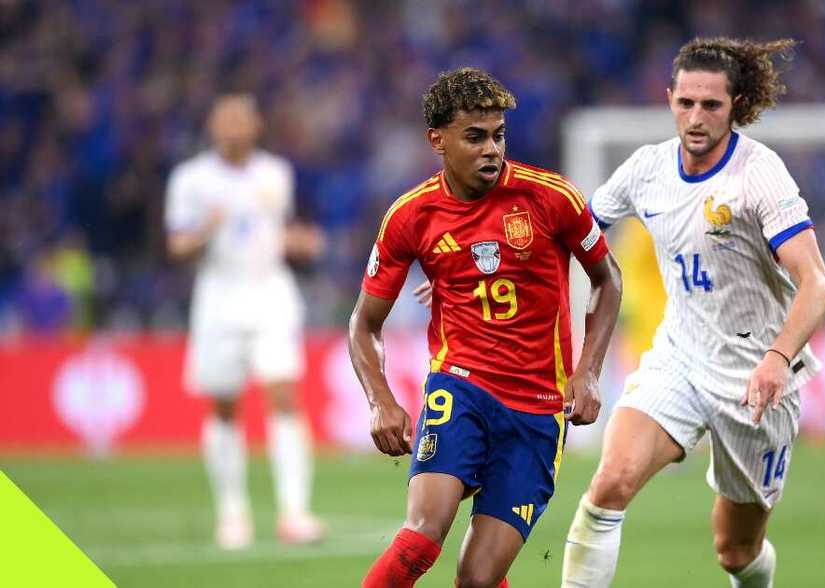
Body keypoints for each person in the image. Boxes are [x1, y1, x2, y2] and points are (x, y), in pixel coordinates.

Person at [561, 37, 825, 587]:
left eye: (711, 104)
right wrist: (477, 271)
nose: (696, 116)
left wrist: (778, 357)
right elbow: (570, 233)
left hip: (757, 382)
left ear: (736, 105)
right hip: (679, 360)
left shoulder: (760, 175)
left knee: (735, 551)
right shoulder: (647, 169)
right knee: (610, 482)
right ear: (669, 100)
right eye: (686, 102)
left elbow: (817, 284)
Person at [348, 67, 622, 588]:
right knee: (422, 537)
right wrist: (381, 399)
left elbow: (608, 282)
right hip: (462, 386)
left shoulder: (552, 196)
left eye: (498, 135)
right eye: (475, 137)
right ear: (438, 140)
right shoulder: (411, 216)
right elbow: (364, 323)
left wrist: (587, 373)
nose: (491, 149)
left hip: (538, 410)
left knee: (476, 578)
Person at [165, 94, 325, 550]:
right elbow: (177, 246)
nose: (234, 127)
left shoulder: (275, 173)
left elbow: (275, 231)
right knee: (224, 406)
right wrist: (205, 229)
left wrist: (299, 242)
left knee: (285, 394)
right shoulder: (191, 179)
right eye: (226, 119)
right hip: (219, 299)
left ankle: (294, 513)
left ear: (256, 126)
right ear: (213, 126)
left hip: (271, 294)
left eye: (242, 119)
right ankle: (232, 514)